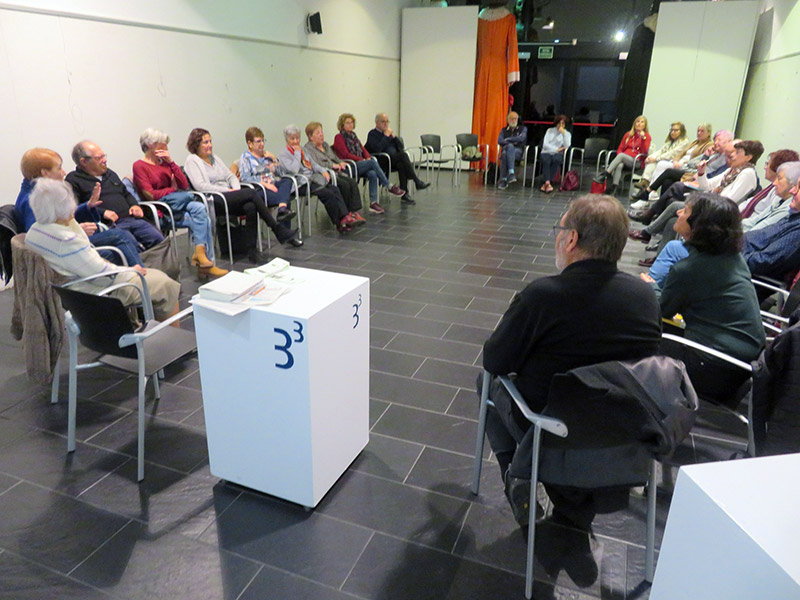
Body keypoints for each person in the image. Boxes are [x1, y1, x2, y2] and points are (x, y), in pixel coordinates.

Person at [481, 194, 662, 532]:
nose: (558, 236)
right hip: (622, 434)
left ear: (573, 238)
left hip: (549, 432)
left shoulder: (543, 295)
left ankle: (514, 472)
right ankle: (575, 506)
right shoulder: (645, 298)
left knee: (486, 383)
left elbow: (495, 359)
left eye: (559, 229)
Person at [643, 193, 765, 403]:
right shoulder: (732, 258)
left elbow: (661, 310)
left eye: (686, 211)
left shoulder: (689, 269)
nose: (679, 212)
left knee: (636, 331)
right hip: (742, 366)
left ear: (699, 226)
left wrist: (650, 287)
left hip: (713, 367)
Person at [25, 178, 180, 321]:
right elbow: (100, 273)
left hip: (70, 288)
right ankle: (171, 343)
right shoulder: (66, 240)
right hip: (92, 291)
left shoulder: (34, 231)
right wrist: (131, 270)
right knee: (165, 284)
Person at [184, 128, 302, 263]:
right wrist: (228, 191)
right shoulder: (192, 160)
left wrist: (236, 189)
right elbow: (201, 186)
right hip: (214, 199)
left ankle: (252, 251)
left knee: (250, 206)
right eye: (205, 142)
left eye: (210, 141)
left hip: (229, 195)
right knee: (251, 193)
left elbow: (230, 175)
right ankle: (277, 229)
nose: (210, 145)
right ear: (196, 144)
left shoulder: (214, 158)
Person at [15, 148, 142, 268]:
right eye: (59, 168)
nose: (64, 172)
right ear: (45, 173)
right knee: (120, 239)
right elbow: (43, 236)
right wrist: (76, 230)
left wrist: (88, 206)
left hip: (68, 242)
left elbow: (57, 219)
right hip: (65, 250)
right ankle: (140, 278)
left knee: (121, 241)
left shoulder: (36, 193)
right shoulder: (33, 200)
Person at [630, 140, 763, 249]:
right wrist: (701, 172)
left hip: (719, 212)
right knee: (673, 217)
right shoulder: (732, 170)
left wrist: (703, 199)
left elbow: (729, 200)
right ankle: (660, 250)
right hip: (712, 203)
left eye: (738, 152)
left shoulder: (747, 174)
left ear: (749, 157)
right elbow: (707, 185)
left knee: (676, 204)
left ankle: (647, 232)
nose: (734, 156)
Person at [132, 128, 227, 280]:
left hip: (177, 204)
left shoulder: (165, 163)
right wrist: (171, 190)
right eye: (162, 145)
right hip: (162, 210)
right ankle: (205, 264)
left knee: (199, 209)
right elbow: (149, 194)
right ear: (150, 145)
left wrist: (171, 163)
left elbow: (183, 185)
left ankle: (202, 256)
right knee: (201, 216)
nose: (166, 148)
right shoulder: (139, 166)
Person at [66, 140, 165, 251]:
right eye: (99, 158)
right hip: (109, 225)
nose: (105, 160)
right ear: (83, 162)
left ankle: (161, 266)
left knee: (158, 239)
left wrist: (134, 205)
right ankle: (141, 267)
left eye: (104, 156)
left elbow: (126, 193)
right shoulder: (73, 180)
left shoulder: (110, 173)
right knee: (132, 245)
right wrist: (103, 213)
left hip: (131, 219)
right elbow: (75, 208)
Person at [280, 125, 362, 234]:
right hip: (299, 184)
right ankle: (339, 223)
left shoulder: (303, 150)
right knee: (327, 194)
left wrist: (323, 170)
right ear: (287, 139)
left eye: (297, 138)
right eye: (292, 139)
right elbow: (294, 170)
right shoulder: (284, 155)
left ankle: (345, 217)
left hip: (311, 180)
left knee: (334, 189)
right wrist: (297, 154)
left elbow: (313, 164)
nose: (296, 141)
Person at [331, 112, 405, 213]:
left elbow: (363, 149)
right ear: (342, 125)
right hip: (348, 166)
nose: (350, 125)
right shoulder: (338, 137)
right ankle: (389, 186)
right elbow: (346, 155)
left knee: (372, 173)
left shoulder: (353, 136)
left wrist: (368, 157)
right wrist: (363, 160)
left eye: (352, 122)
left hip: (359, 165)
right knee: (372, 163)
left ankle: (373, 203)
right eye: (347, 123)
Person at [630, 123, 714, 206]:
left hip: (688, 170)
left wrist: (682, 163)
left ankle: (648, 192)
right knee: (667, 180)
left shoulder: (708, 145)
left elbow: (696, 162)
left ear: (709, 133)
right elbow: (679, 154)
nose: (699, 133)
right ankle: (659, 204)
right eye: (698, 131)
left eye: (702, 131)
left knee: (664, 167)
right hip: (679, 164)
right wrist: (676, 161)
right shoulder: (694, 142)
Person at [303, 121, 365, 225]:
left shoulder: (325, 145)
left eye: (321, 132)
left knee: (352, 182)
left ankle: (353, 212)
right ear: (310, 136)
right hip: (325, 175)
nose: (321, 135)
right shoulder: (308, 149)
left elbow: (335, 158)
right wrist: (332, 166)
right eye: (318, 133)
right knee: (344, 185)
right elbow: (316, 165)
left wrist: (340, 163)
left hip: (336, 172)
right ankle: (346, 214)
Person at [742, 172, 800, 280]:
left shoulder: (797, 231)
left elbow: (763, 261)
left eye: (799, 188)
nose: (792, 191)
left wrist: (732, 255)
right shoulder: (793, 215)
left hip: (741, 276)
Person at [365, 112, 430, 201]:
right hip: (381, 160)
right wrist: (385, 136)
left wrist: (394, 137)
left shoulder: (389, 134)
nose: (386, 124)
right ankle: (416, 181)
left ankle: (405, 193)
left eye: (387, 121)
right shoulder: (372, 134)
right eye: (383, 121)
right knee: (403, 156)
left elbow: (400, 147)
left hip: (393, 159)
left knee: (401, 164)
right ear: (377, 123)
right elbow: (377, 149)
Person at [237, 126, 296, 222]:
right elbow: (245, 178)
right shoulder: (246, 158)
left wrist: (274, 159)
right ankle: (283, 212)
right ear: (250, 143)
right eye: (258, 141)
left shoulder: (266, 155)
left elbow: (280, 173)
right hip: (260, 188)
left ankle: (282, 208)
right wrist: (266, 185)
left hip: (273, 183)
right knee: (285, 197)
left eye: (263, 141)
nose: (262, 144)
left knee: (288, 180)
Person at [593, 116, 651, 196]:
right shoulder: (628, 134)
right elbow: (620, 149)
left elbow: (645, 152)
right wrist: (620, 157)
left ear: (645, 125)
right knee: (619, 165)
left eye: (642, 122)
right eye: (637, 121)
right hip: (624, 159)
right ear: (634, 123)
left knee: (621, 156)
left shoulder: (646, 136)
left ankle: (605, 174)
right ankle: (614, 188)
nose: (639, 124)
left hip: (636, 161)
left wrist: (643, 138)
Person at [636, 122, 691, 188]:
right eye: (672, 130)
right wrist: (651, 157)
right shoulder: (670, 141)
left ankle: (649, 186)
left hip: (673, 162)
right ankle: (645, 181)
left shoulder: (684, 142)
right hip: (664, 160)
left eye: (676, 130)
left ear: (681, 132)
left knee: (658, 163)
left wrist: (656, 159)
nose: (673, 132)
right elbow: (661, 151)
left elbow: (672, 154)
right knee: (651, 162)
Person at [496, 111, 528, 190]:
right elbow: (499, 140)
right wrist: (513, 142)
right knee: (505, 152)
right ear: (508, 121)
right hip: (507, 151)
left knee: (505, 152)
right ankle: (511, 173)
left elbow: (521, 138)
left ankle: (503, 180)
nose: (514, 121)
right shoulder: (503, 130)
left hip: (518, 151)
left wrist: (508, 139)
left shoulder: (523, 129)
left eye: (515, 119)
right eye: (512, 119)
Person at [538, 114, 570, 193]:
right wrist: (557, 149)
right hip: (546, 151)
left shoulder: (567, 134)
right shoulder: (550, 131)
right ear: (556, 123)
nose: (561, 125)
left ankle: (546, 183)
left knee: (557, 160)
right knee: (546, 160)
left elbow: (567, 145)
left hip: (557, 154)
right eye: (560, 123)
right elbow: (545, 144)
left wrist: (564, 134)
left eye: (563, 124)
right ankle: (548, 183)